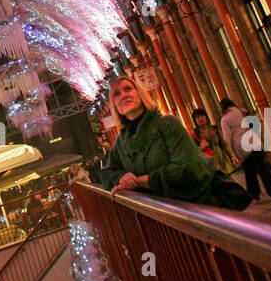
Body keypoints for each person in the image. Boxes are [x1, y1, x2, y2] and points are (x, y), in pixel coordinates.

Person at [97, 77, 251, 210]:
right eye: (117, 94)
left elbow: (185, 167)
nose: (123, 95)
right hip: (165, 216)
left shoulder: (166, 123)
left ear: (140, 94)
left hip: (198, 206)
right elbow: (106, 174)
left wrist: (139, 182)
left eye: (128, 89)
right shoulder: (123, 141)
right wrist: (123, 177)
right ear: (114, 105)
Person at [219, 98, 271, 202]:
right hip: (254, 142)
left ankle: (254, 194)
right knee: (262, 168)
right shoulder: (242, 111)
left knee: (249, 171)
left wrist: (229, 153)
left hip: (242, 147)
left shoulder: (225, 119)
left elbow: (227, 137)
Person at [192, 109, 237, 174]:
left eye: (202, 115)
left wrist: (232, 156)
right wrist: (201, 148)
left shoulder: (214, 128)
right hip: (209, 163)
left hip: (222, 159)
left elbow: (224, 144)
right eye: (198, 117)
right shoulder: (195, 134)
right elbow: (193, 152)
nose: (201, 118)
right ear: (195, 121)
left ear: (206, 117)